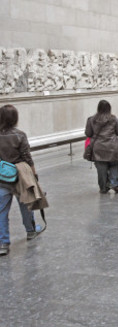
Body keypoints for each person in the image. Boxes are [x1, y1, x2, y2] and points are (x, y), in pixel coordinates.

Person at [0, 105, 46, 256]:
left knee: (1, 211)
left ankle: (3, 243)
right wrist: (34, 174)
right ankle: (30, 230)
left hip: (2, 177)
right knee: (26, 204)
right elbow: (27, 157)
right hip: (20, 177)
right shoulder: (20, 135)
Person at [85, 100, 118, 194]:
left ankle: (103, 188)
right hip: (113, 146)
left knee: (101, 169)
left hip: (98, 147)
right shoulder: (113, 119)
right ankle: (114, 183)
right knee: (114, 165)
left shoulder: (91, 119)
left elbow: (88, 133)